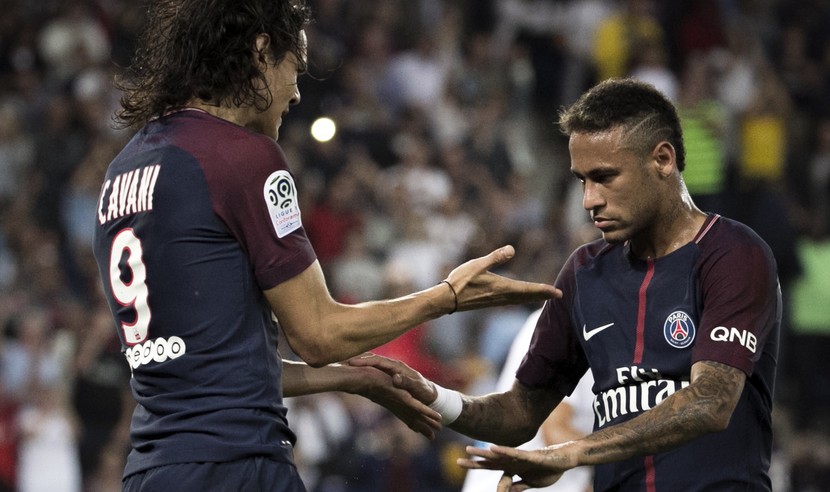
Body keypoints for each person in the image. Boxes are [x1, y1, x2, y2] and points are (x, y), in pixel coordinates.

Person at [90, 1, 560, 491]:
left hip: (152, 470)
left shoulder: (123, 171)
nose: (295, 94)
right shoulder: (241, 156)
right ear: (260, 50)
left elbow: (213, 370)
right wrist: (448, 296)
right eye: (295, 69)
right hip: (237, 465)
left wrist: (355, 379)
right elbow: (318, 334)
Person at [353, 78, 782, 491]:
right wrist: (433, 396)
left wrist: (574, 452)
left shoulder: (733, 254)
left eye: (605, 177)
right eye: (582, 180)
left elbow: (710, 401)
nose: (589, 200)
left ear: (663, 160)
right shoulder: (584, 272)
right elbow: (521, 412)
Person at [460, 307, 595, 492]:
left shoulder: (620, 331)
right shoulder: (563, 321)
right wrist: (629, 453)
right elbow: (555, 433)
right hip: (509, 485)